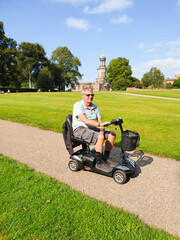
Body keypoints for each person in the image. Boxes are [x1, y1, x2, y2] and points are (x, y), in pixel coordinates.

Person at [72, 87, 116, 171]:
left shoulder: (96, 107)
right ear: (83, 96)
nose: (90, 97)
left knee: (112, 134)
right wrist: (100, 126)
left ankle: (106, 157)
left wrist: (102, 129)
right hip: (80, 129)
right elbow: (85, 120)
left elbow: (99, 121)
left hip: (92, 128)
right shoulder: (78, 105)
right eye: (88, 95)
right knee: (99, 137)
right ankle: (99, 163)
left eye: (92, 95)